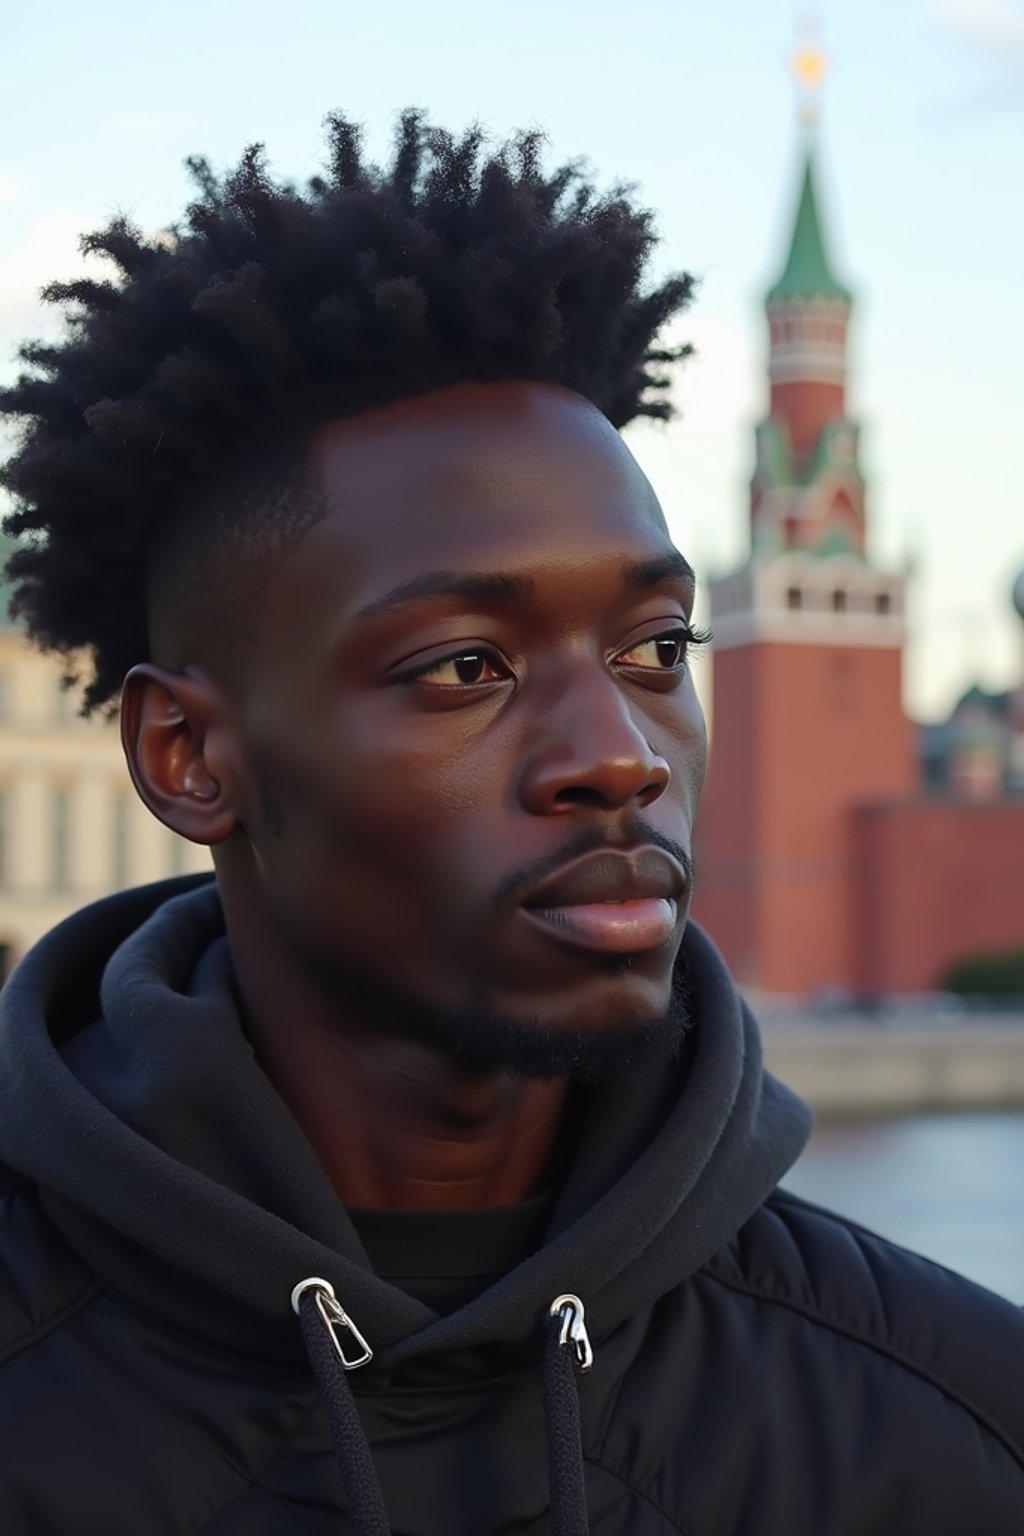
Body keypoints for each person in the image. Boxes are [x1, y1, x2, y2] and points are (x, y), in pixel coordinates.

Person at [0, 111, 1020, 1536]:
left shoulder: (959, 1424)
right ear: (187, 756)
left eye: (658, 650)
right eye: (465, 667)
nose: (620, 757)